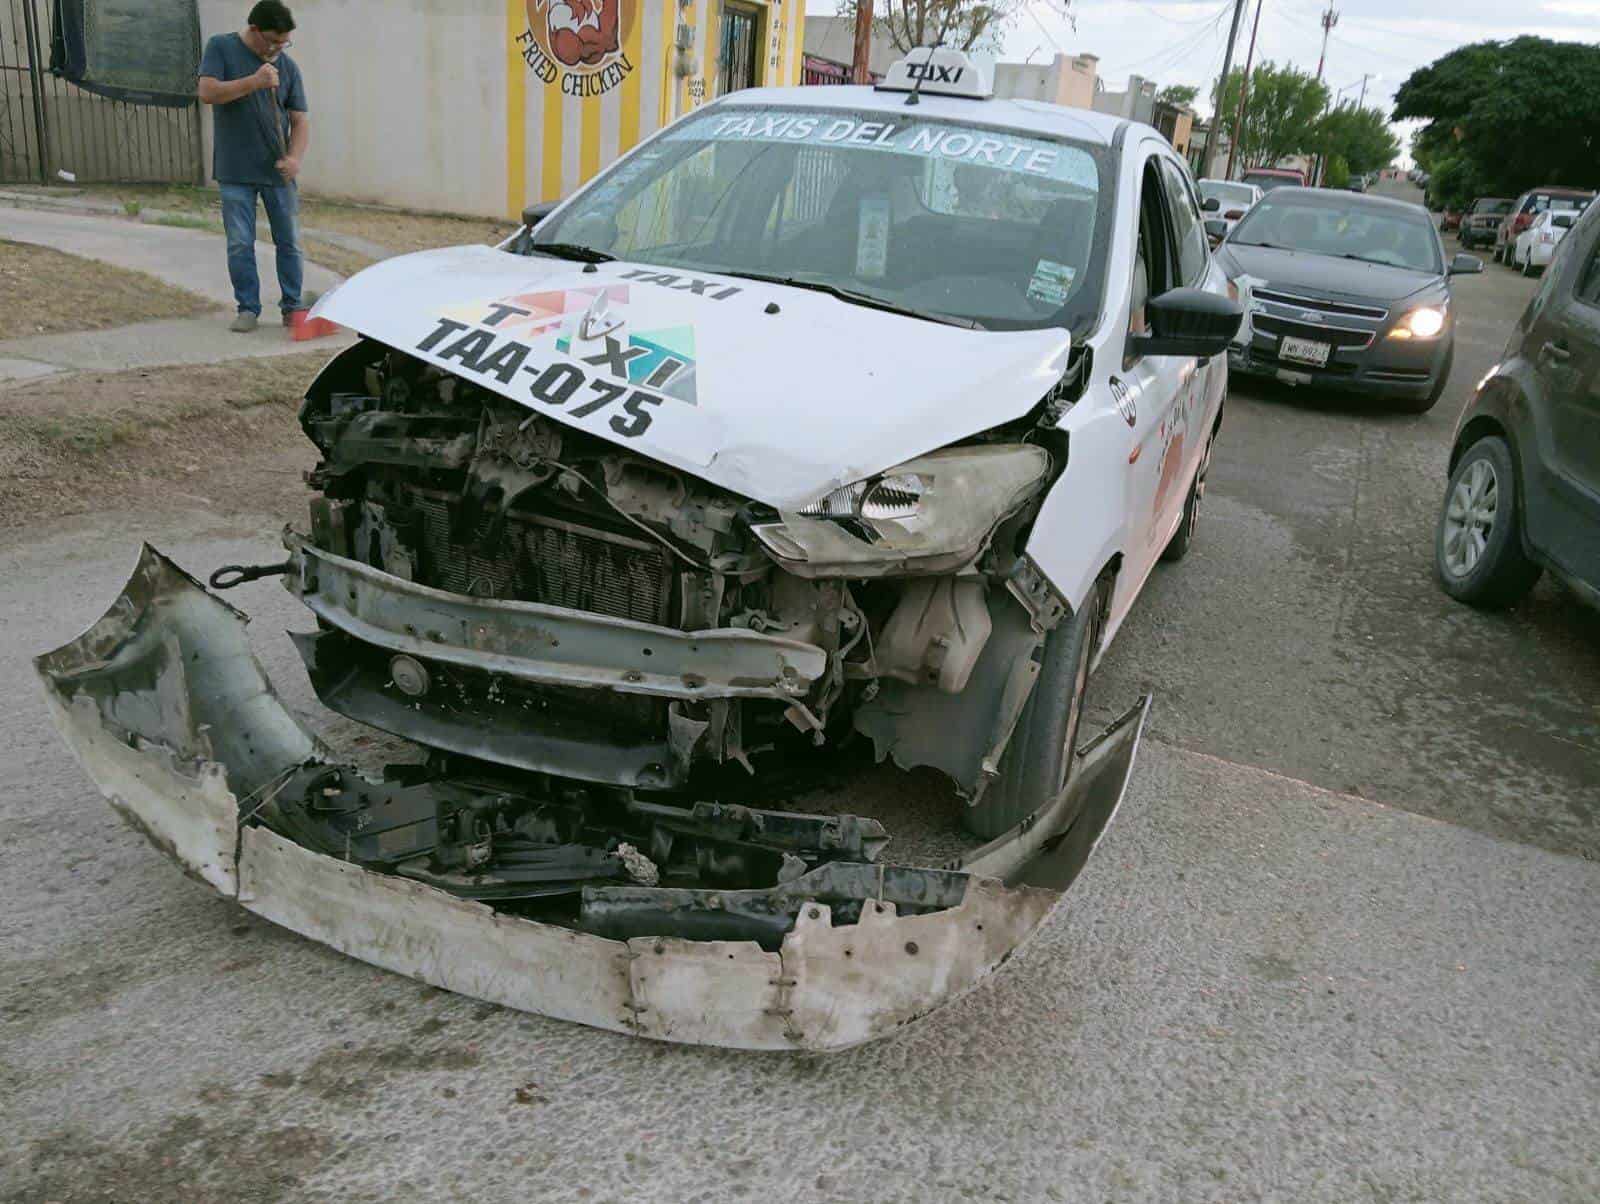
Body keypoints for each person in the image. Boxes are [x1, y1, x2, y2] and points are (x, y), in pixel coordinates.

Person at [198, 1, 312, 333]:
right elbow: (207, 92)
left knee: (289, 241)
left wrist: (294, 159)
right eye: (274, 41)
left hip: (277, 172)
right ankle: (248, 307)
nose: (278, 48)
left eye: (284, 42)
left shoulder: (287, 68)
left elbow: (300, 119)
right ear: (254, 30)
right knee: (239, 242)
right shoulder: (221, 47)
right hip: (235, 168)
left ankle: (293, 307)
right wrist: (254, 82)